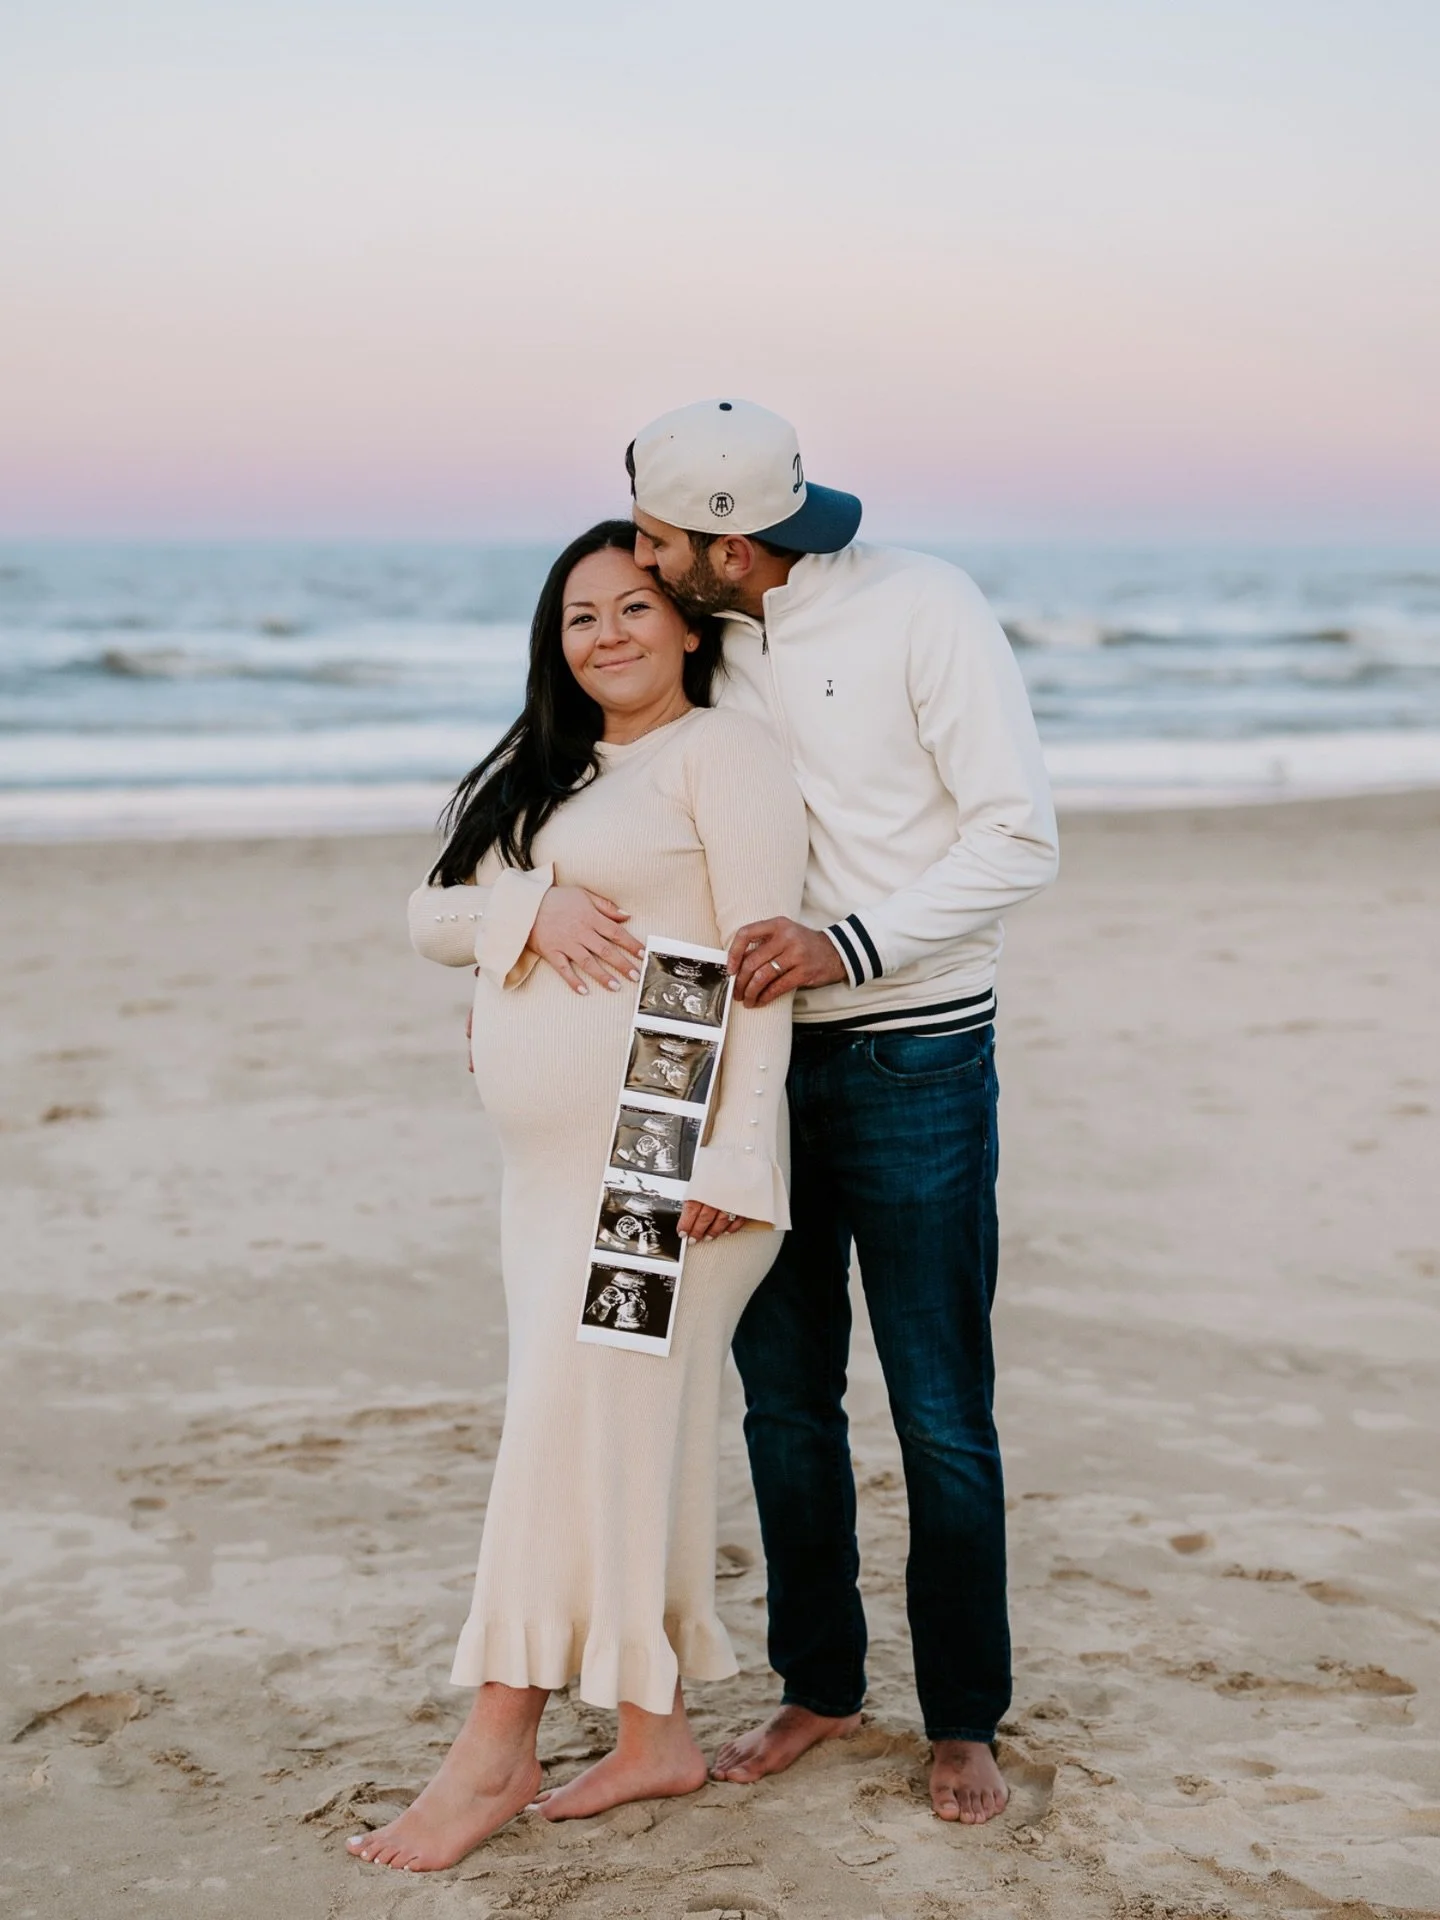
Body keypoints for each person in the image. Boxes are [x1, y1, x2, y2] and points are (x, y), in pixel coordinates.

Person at [348, 521, 807, 1873]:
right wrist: (528, 908)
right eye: (578, 617)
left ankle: (494, 1750)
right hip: (547, 1171)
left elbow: (757, 966)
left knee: (561, 1429)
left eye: (632, 607)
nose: (605, 633)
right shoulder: (544, 777)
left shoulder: (721, 753)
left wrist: (732, 1152)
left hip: (668, 1142)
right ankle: (656, 1735)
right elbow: (430, 914)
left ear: (684, 625)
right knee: (615, 1442)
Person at [626, 399, 1060, 1825]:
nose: (635, 557)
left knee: (939, 1411)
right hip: (752, 1072)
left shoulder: (925, 608)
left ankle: (964, 1719)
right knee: (785, 1404)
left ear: (727, 546)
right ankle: (820, 1685)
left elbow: (1018, 834)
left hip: (915, 1055)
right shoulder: (699, 639)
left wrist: (849, 945)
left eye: (655, 537)